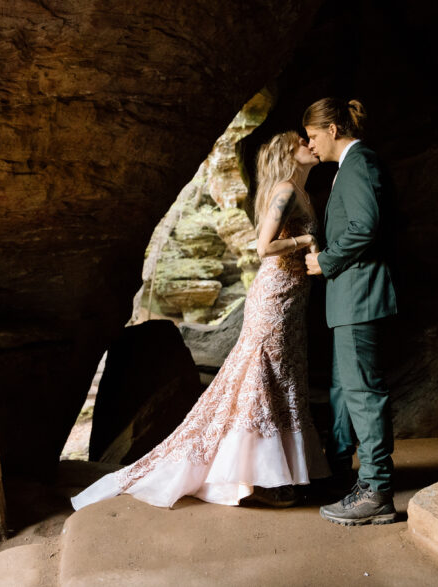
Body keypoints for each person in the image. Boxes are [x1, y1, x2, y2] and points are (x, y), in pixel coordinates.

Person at [71, 131, 330, 511]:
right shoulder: (285, 190)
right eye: (300, 143)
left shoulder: (300, 191)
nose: (310, 145)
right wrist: (304, 244)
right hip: (274, 295)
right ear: (287, 154)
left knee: (283, 376)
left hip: (292, 296)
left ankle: (277, 473)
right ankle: (255, 478)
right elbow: (263, 247)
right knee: (262, 376)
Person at [303, 97, 398, 526]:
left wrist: (325, 260)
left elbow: (365, 225)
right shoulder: (350, 166)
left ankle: (376, 491)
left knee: (362, 394)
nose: (311, 144)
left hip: (360, 297)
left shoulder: (360, 163)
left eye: (313, 135)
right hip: (350, 301)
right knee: (347, 392)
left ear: (333, 130)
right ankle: (347, 477)